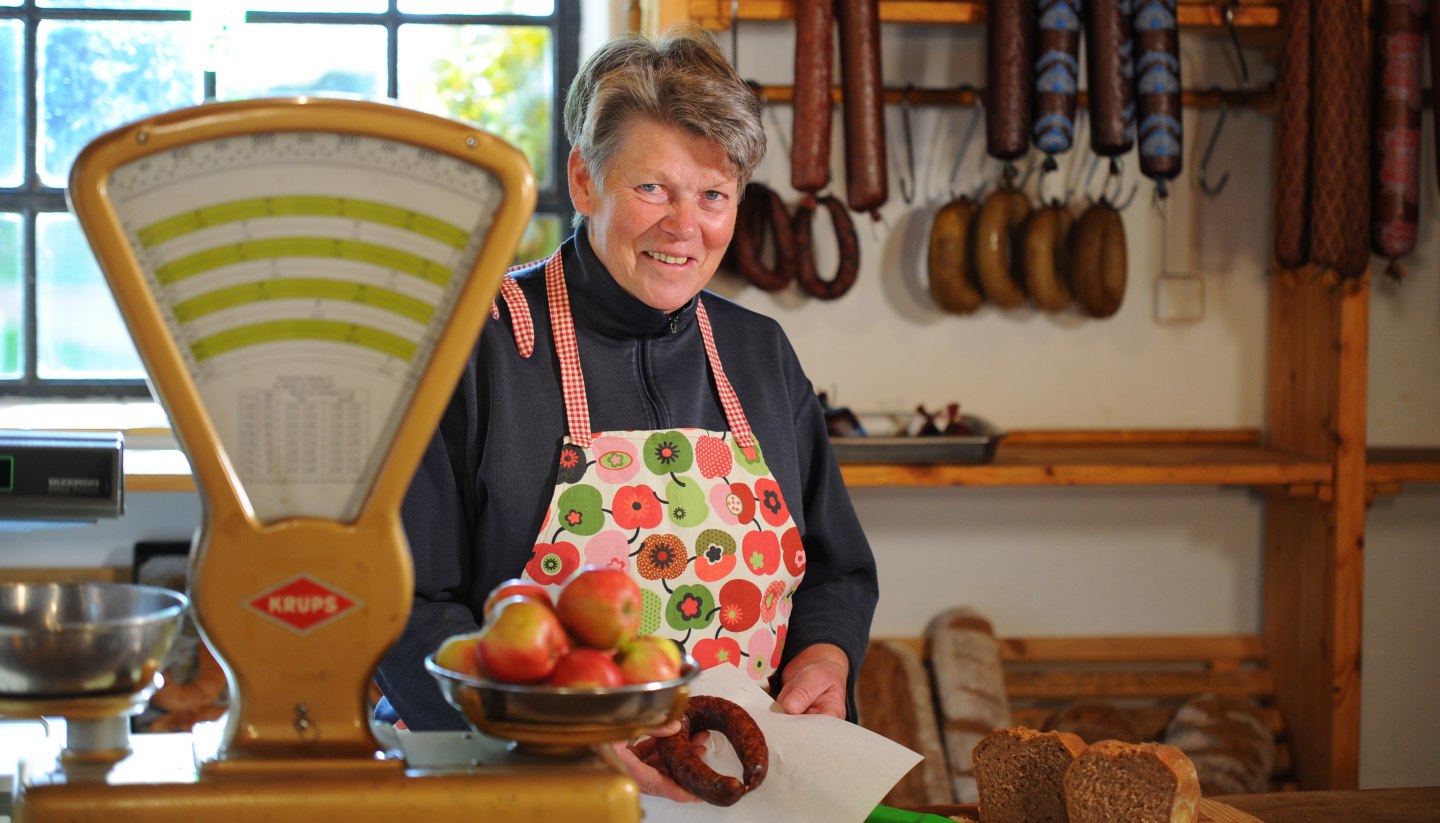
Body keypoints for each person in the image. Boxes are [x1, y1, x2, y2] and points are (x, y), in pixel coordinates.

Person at [374, 23, 879, 801]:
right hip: (514, 792)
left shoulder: (759, 354)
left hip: (732, 795)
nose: (686, 227)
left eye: (714, 196)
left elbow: (838, 569)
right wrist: (544, 733)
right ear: (584, 180)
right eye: (653, 189)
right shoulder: (473, 346)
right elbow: (401, 609)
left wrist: (827, 655)